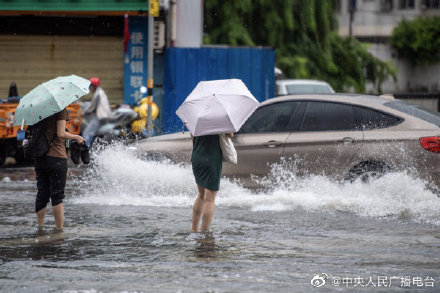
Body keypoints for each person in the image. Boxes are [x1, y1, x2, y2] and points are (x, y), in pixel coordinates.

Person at [35, 109, 86, 230]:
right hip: (57, 157)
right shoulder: (60, 109)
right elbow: (61, 133)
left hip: (40, 157)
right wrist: (76, 137)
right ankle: (59, 229)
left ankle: (40, 227)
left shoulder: (38, 110)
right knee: (57, 195)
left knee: (42, 193)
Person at [191, 132, 234, 233]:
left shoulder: (197, 117)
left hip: (197, 155)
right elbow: (230, 135)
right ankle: (204, 232)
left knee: (201, 195)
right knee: (209, 199)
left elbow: (192, 136)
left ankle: (194, 228)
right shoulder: (220, 118)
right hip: (212, 158)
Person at [82, 77, 112, 147]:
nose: (90, 88)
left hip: (100, 117)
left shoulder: (97, 94)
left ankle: (86, 149)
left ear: (93, 86)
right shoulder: (100, 92)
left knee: (87, 133)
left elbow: (93, 107)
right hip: (104, 116)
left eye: (90, 87)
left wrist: (85, 112)